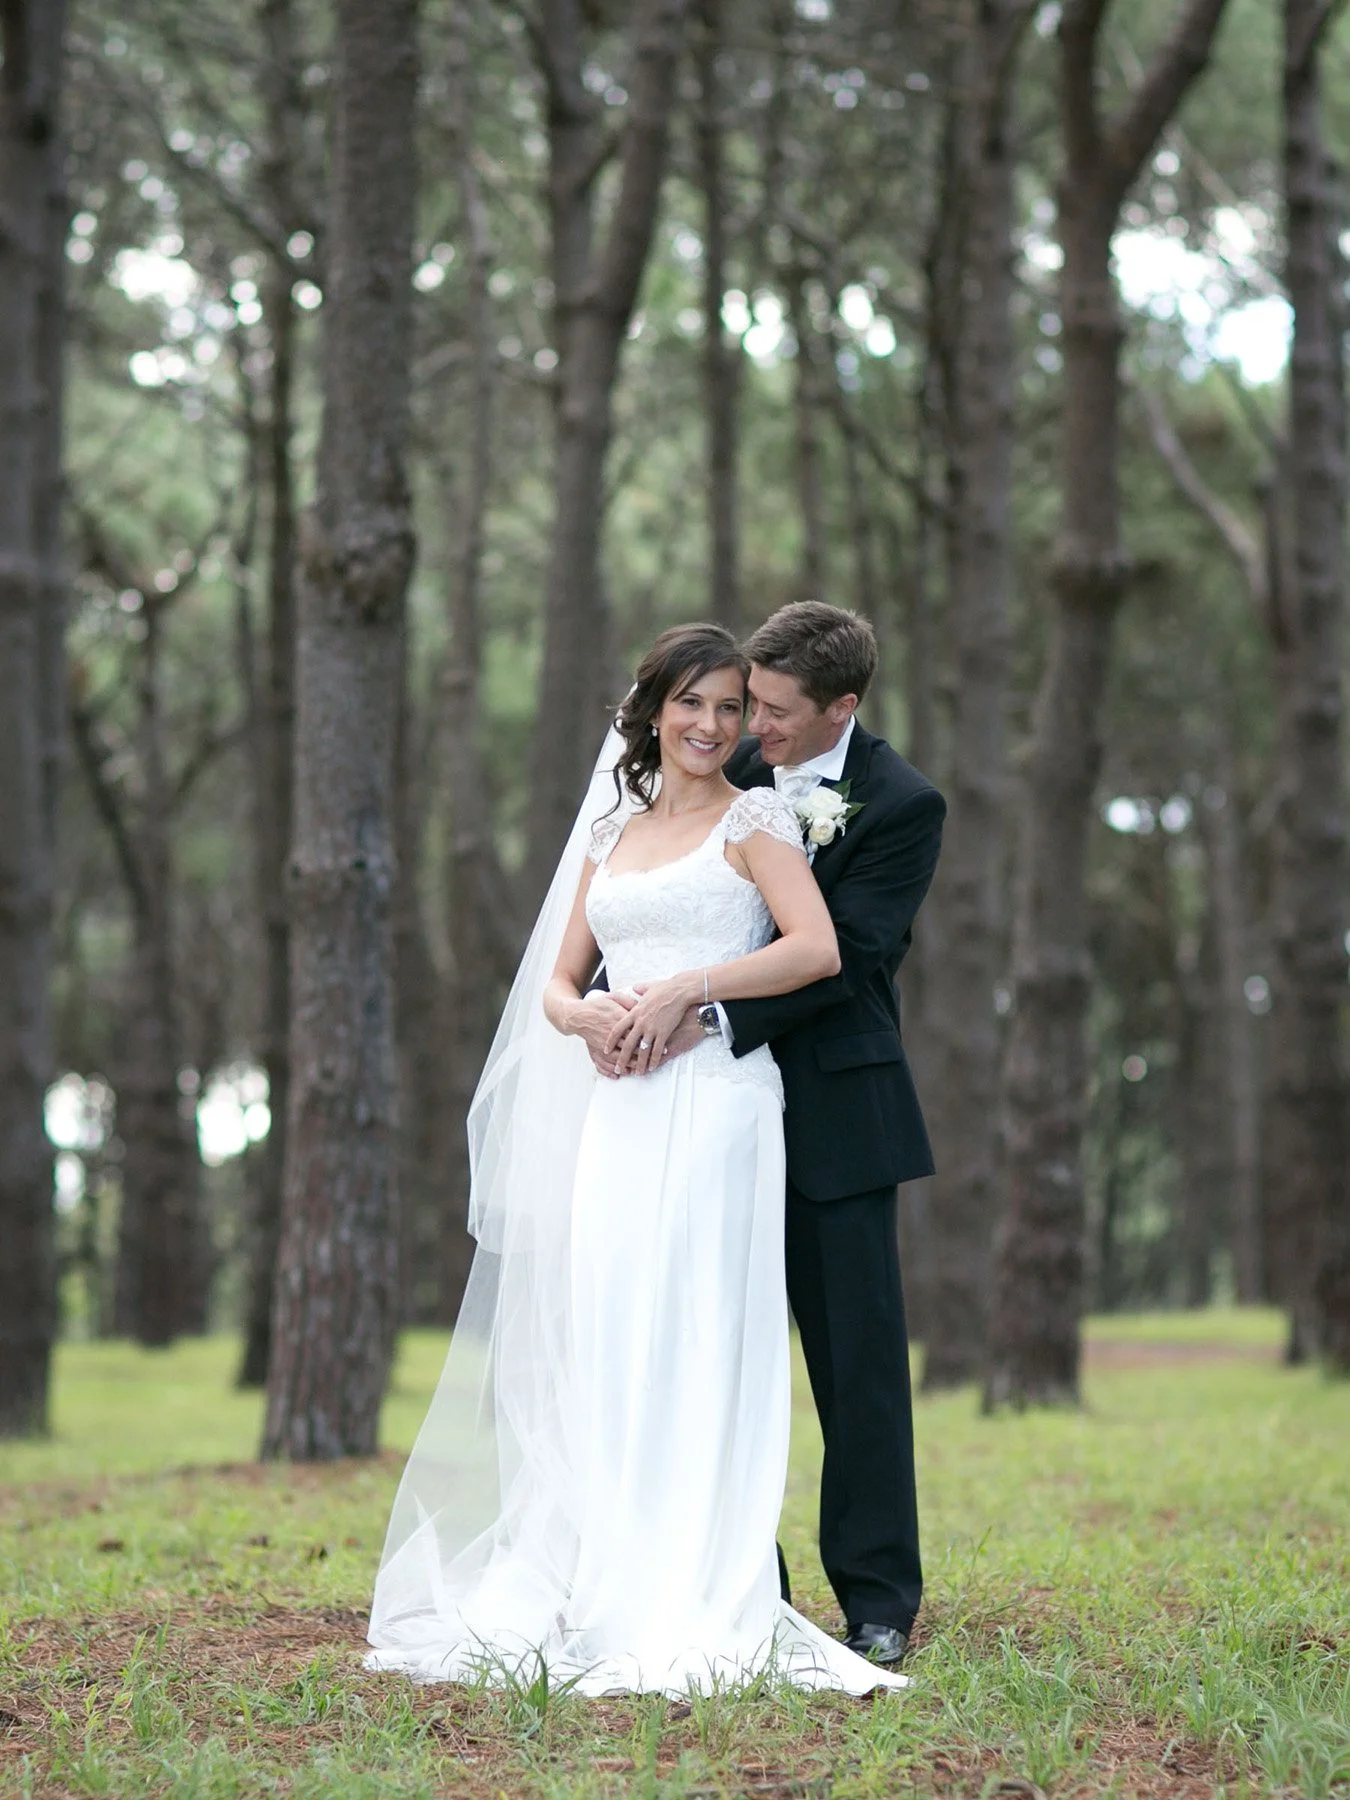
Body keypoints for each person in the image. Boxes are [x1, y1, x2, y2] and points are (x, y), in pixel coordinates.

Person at [366, 622, 909, 1696]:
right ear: (653, 709)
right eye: (695, 705)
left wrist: (688, 990)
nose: (715, 726)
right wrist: (586, 1022)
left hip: (716, 1104)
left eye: (730, 707)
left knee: (700, 1327)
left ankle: (713, 1576)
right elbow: (559, 981)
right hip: (618, 1103)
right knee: (610, 1323)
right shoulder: (611, 825)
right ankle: (612, 1559)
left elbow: (820, 949)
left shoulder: (757, 817)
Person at [601, 602, 944, 1666]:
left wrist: (705, 1011)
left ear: (844, 706)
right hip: (700, 1115)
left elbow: (857, 955)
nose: (754, 726)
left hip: (834, 1109)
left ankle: (879, 1598)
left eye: (780, 712)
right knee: (705, 1350)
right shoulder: (727, 759)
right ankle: (746, 1583)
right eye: (748, 701)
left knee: (856, 1369)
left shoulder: (900, 804)